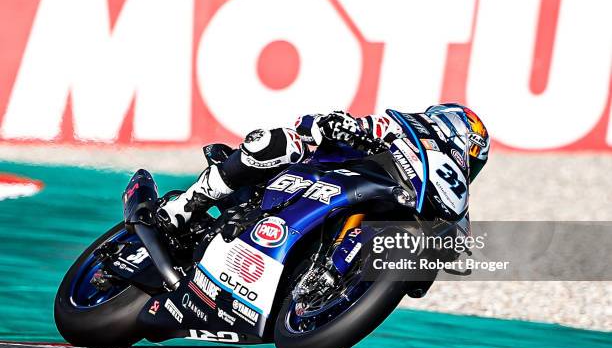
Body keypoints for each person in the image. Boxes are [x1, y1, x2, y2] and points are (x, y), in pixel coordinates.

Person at [157, 104, 490, 231]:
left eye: (472, 164)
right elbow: (316, 123)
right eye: (467, 153)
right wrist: (339, 126)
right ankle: (187, 205)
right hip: (305, 178)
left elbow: (422, 282)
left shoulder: (447, 201)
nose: (465, 164)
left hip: (351, 207)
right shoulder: (398, 131)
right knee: (279, 142)